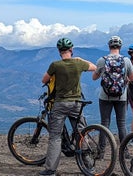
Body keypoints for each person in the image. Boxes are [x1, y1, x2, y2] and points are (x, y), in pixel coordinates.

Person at [39, 37, 96, 176]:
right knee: (81, 134)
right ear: (71, 50)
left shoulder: (55, 65)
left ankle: (50, 170)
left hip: (60, 104)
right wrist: (80, 59)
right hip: (77, 103)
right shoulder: (78, 63)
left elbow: (44, 80)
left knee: (55, 137)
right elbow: (94, 67)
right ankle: (89, 167)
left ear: (59, 51)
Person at [92, 36, 133, 145]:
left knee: (104, 124)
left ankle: (101, 151)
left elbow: (94, 77)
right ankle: (124, 151)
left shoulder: (102, 60)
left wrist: (103, 74)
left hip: (105, 96)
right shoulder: (126, 60)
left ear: (109, 46)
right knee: (121, 124)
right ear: (120, 47)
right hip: (121, 96)